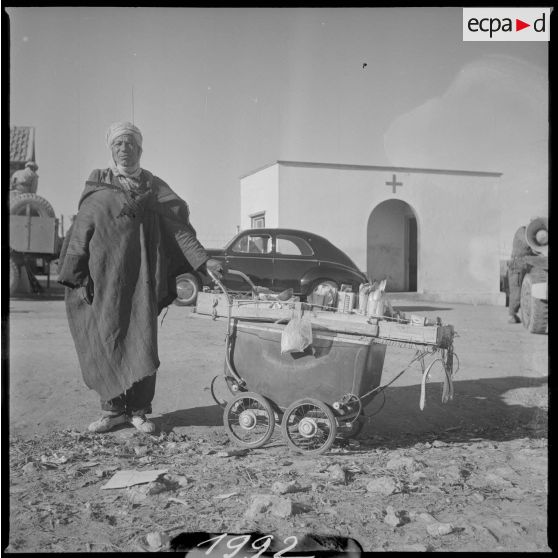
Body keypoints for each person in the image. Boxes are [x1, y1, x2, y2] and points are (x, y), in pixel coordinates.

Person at [57, 121, 222, 433]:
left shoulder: (154, 189)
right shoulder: (98, 190)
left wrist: (205, 260)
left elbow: (180, 232)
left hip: (143, 280)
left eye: (130, 143)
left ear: (140, 149)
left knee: (142, 340)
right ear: (111, 149)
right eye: (119, 144)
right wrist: (75, 274)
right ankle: (112, 411)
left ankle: (139, 411)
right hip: (106, 280)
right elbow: (81, 233)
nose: (125, 149)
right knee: (107, 338)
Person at [507, 225, 536, 324]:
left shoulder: (527, 232)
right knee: (516, 291)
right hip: (517, 265)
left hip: (523, 265)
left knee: (523, 291)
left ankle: (515, 315)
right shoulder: (522, 231)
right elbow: (527, 243)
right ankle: (511, 315)